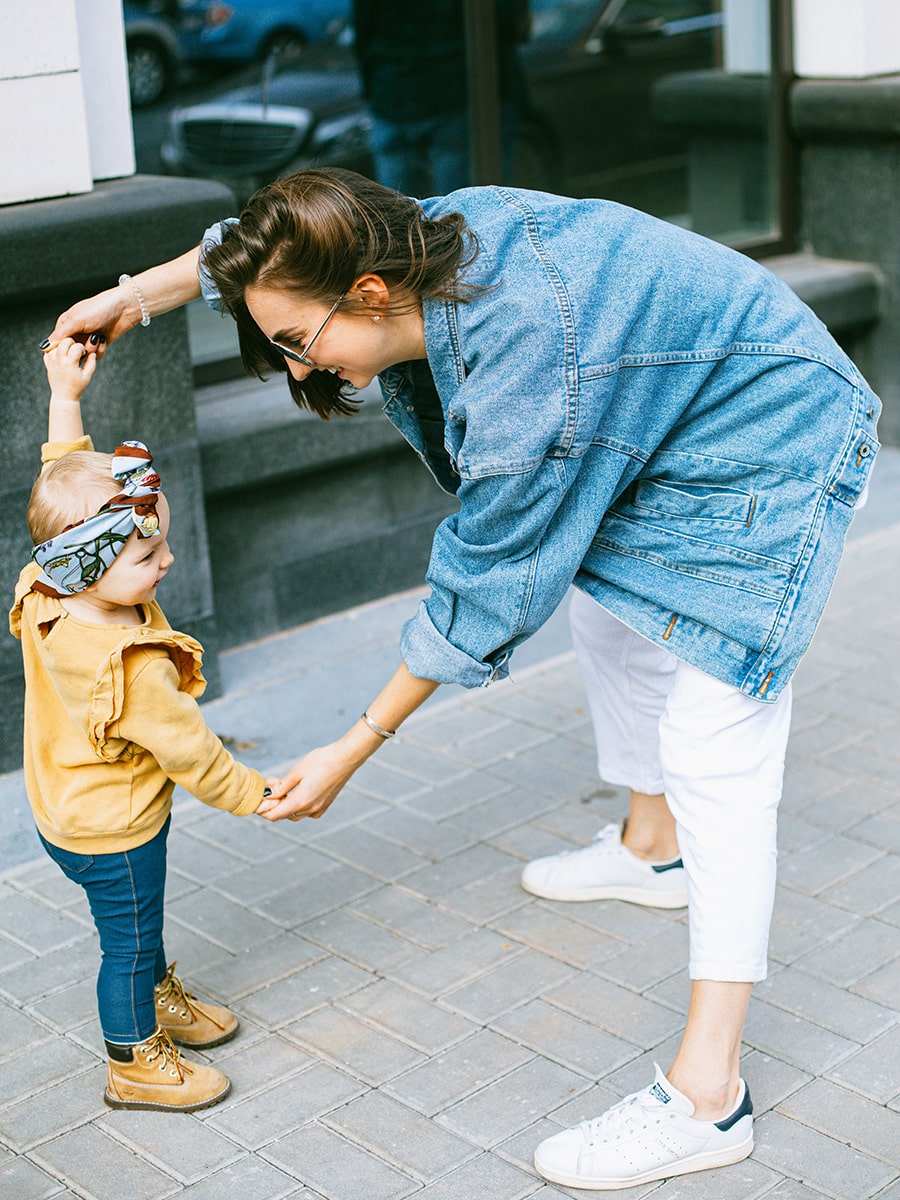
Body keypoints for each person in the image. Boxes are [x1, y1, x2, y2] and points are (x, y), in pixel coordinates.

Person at [47, 168, 880, 1187]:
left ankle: (711, 1099)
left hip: (767, 436)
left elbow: (490, 580)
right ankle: (652, 849)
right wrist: (133, 299)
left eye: (297, 344)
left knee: (717, 733)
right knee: (614, 617)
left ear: (368, 297)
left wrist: (355, 743)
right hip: (668, 408)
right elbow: (251, 245)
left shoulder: (528, 362)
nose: (295, 367)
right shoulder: (409, 242)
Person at [11, 339, 280, 1114]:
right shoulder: (130, 661)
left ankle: (161, 1001)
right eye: (147, 552)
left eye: (160, 540)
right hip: (115, 827)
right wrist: (259, 794)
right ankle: (133, 1062)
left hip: (64, 808)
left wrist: (66, 395)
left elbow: (61, 478)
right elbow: (193, 750)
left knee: (137, 922)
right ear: (89, 567)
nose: (166, 559)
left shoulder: (47, 582)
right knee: (126, 943)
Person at [351, 0, 531, 195]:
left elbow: (363, 30)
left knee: (399, 212)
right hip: (456, 96)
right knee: (463, 210)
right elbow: (509, 23)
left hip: (394, 93)